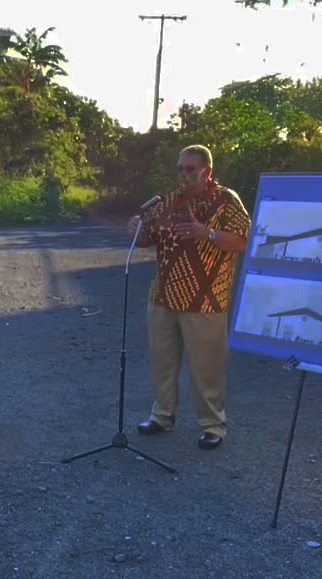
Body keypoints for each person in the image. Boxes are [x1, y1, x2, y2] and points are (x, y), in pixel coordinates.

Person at [129, 145, 250, 450]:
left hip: (204, 299)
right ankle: (161, 415)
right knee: (162, 361)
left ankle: (213, 425)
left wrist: (206, 233)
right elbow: (146, 240)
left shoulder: (227, 201)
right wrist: (135, 229)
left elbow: (242, 241)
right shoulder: (168, 202)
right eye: (180, 168)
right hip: (163, 297)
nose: (183, 174)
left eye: (190, 168)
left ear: (207, 171)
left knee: (205, 367)